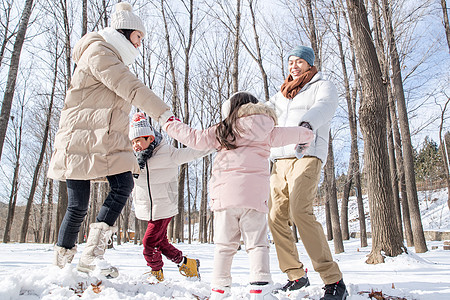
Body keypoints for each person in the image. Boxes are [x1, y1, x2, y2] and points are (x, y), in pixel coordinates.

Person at [48, 2, 174, 278]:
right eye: (139, 37)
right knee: (78, 205)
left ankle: (91, 254)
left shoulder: (110, 57)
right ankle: (62, 266)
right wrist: (164, 114)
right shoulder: (99, 53)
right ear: (126, 32)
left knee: (122, 184)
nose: (140, 45)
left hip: (100, 141)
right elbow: (129, 87)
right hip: (79, 139)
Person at [162, 92, 314, 300]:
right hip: (254, 198)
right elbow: (299, 133)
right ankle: (260, 286)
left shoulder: (224, 129)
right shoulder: (267, 129)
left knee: (224, 246)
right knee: (258, 244)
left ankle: (219, 289)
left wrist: (170, 123)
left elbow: (194, 138)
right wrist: (306, 137)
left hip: (224, 198)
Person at [266, 45, 348, 300]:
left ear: (310, 64)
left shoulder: (322, 86)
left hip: (307, 154)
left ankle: (333, 280)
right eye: (290, 62)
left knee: (300, 211)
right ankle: (295, 275)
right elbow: (263, 113)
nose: (294, 66)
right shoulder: (280, 95)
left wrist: (306, 124)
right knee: (275, 216)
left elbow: (325, 106)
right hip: (279, 160)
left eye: (299, 61)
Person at [129, 112, 209, 282]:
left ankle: (156, 274)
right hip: (148, 208)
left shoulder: (167, 153)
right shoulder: (133, 159)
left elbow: (192, 153)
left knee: (149, 244)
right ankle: (188, 264)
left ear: (150, 138)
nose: (135, 145)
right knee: (161, 243)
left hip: (164, 206)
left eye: (138, 140)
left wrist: (214, 143)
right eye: (133, 142)